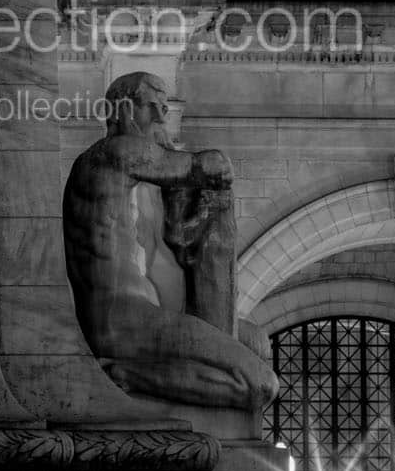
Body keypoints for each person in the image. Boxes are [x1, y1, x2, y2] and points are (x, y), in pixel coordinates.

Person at [61, 71, 278, 411]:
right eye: (152, 107)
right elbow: (211, 166)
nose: (162, 117)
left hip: (147, 314)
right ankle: (127, 376)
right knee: (261, 384)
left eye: (164, 107)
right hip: (123, 320)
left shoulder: (122, 168)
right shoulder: (114, 152)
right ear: (121, 110)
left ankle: (164, 373)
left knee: (259, 344)